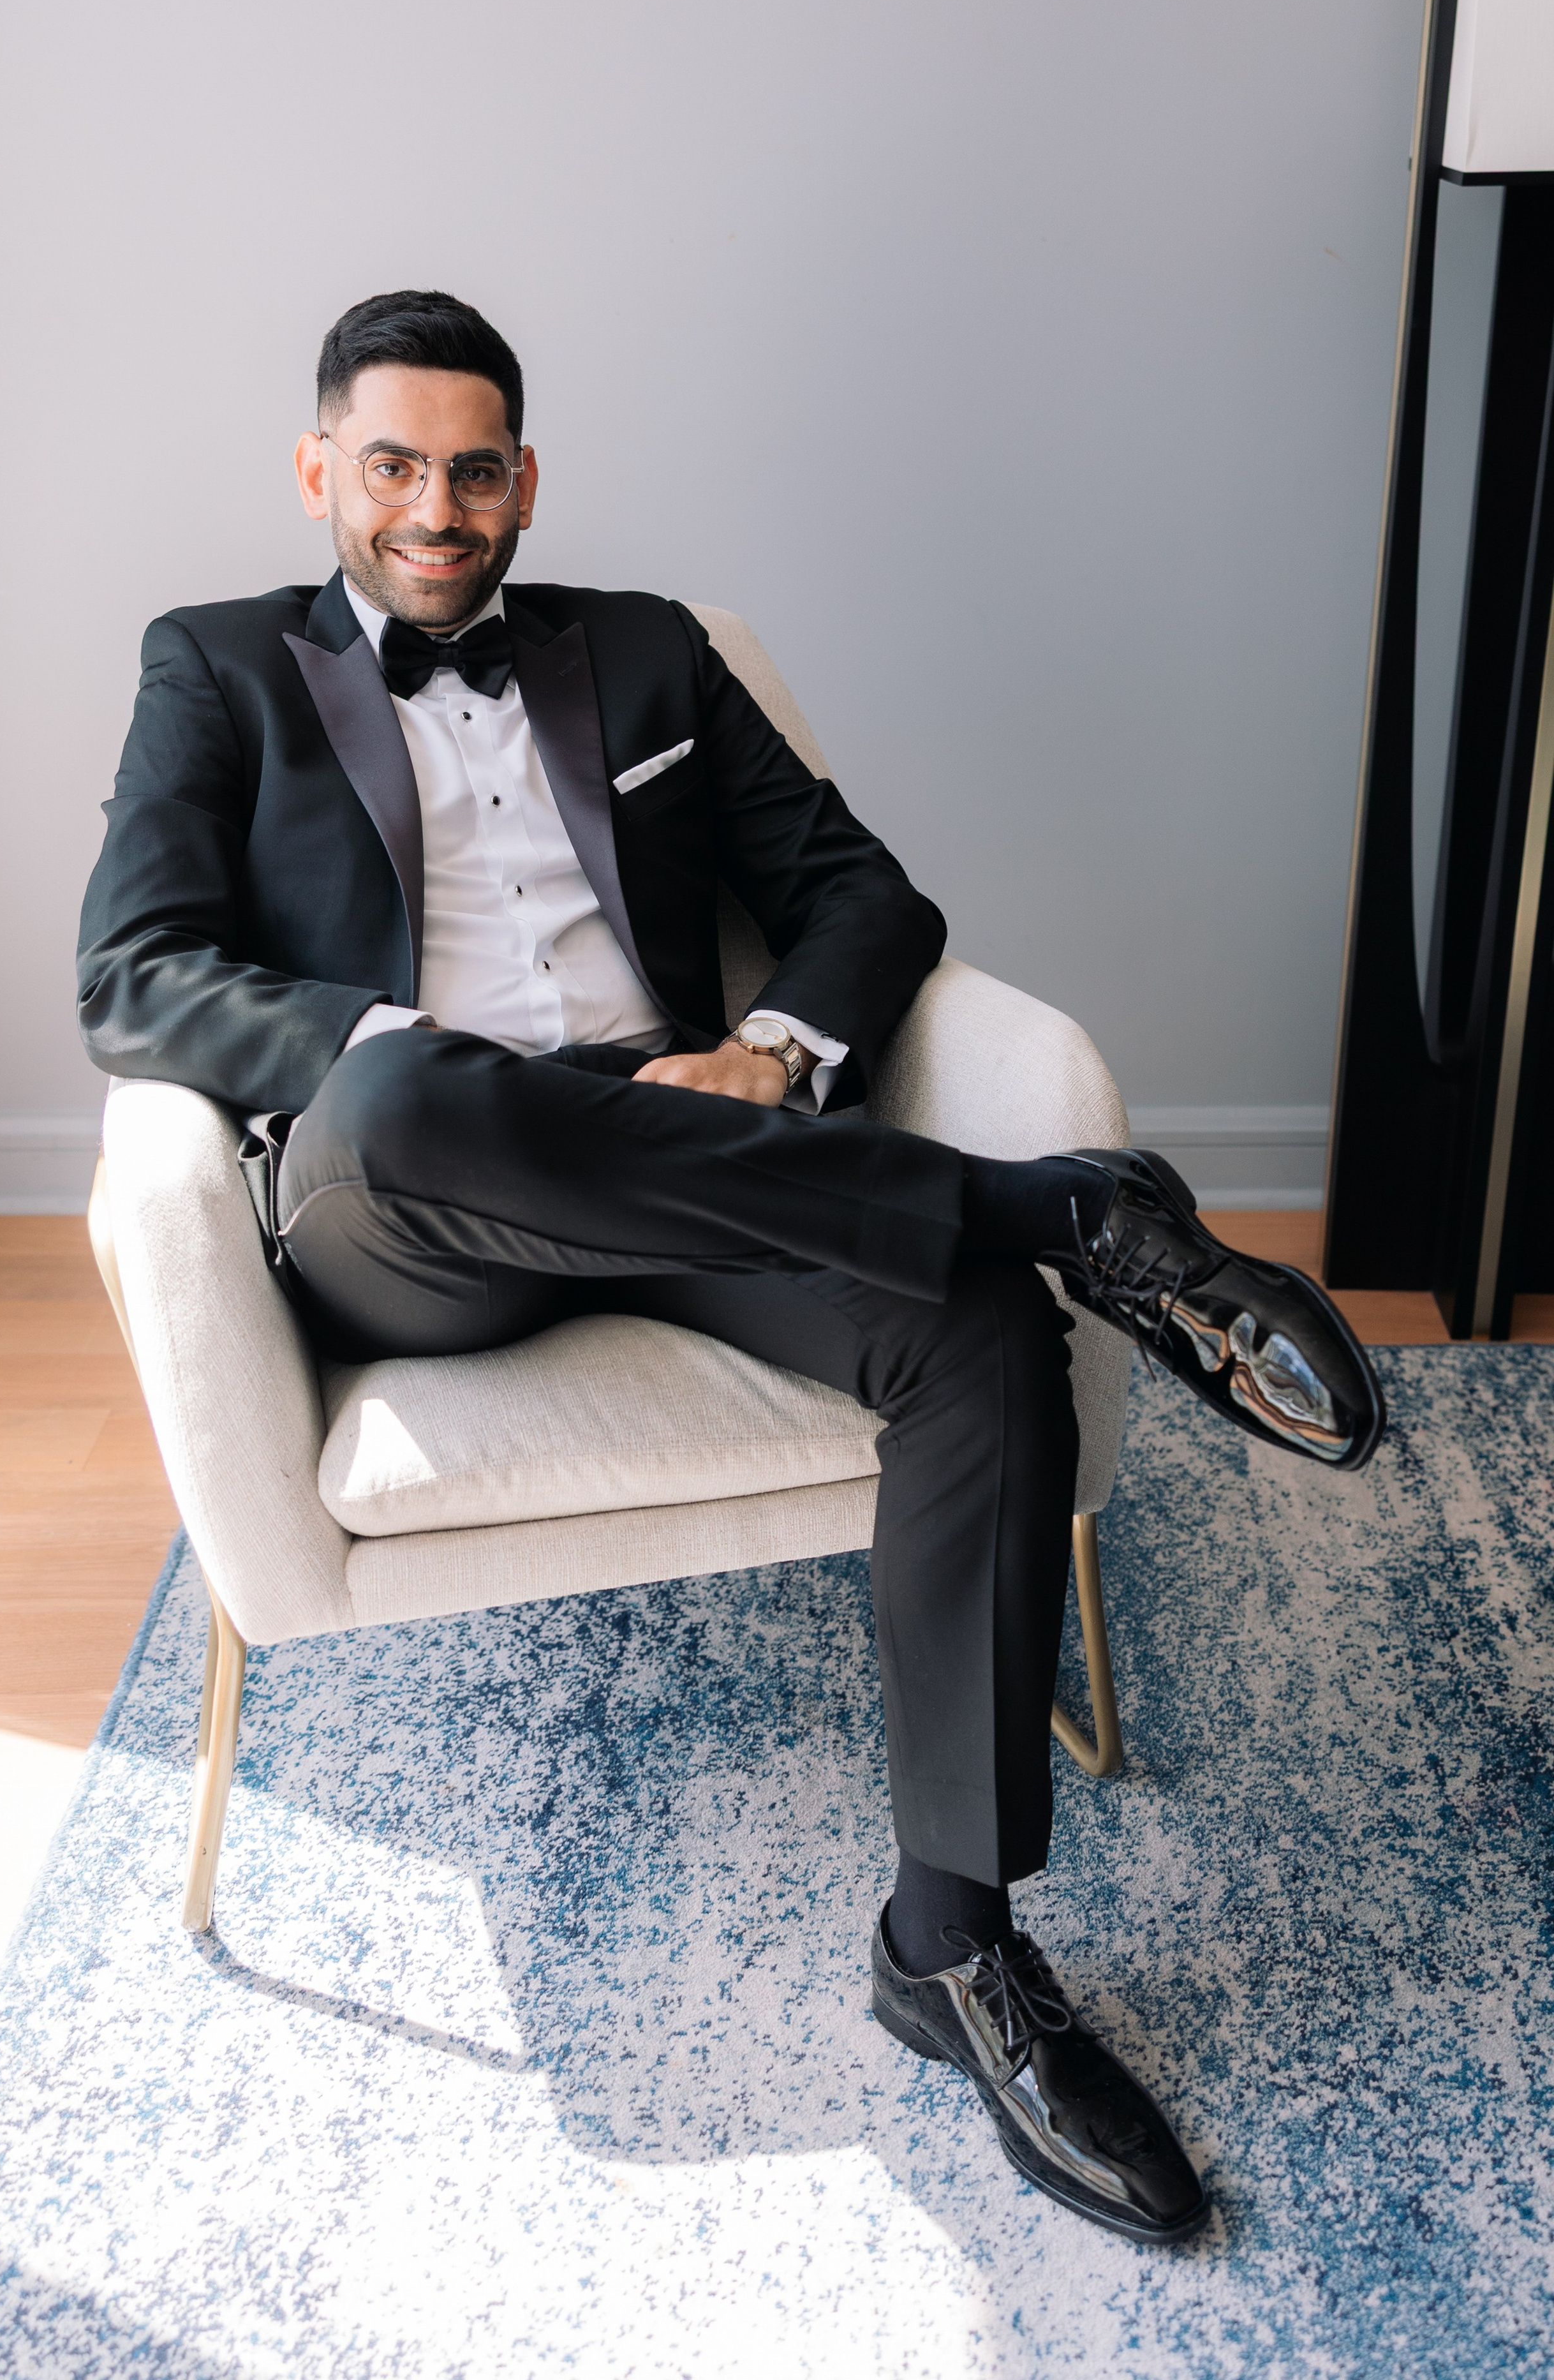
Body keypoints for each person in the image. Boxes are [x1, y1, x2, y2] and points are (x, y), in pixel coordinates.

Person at [77, 289, 1382, 2245]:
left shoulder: (651, 651)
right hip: (408, 1189)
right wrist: (376, 1059)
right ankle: (1073, 1210)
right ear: (321, 472)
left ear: (529, 478)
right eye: (396, 466)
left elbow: (870, 898)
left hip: (696, 1156)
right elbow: (136, 973)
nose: (440, 505)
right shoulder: (216, 670)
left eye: (477, 466)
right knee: (411, 1100)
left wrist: (770, 1055)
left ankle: (950, 1945)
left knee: (975, 1338)